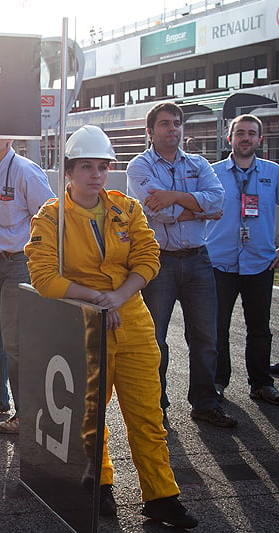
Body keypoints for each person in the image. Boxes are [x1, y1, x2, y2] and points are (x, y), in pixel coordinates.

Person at [26, 125, 198, 528]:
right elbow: (44, 278)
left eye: (102, 167)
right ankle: (99, 482)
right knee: (91, 413)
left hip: (133, 317)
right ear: (68, 171)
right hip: (83, 324)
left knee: (148, 415)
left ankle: (160, 494)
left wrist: (118, 297)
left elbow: (148, 258)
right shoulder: (51, 217)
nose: (96, 175)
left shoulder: (127, 207)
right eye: (86, 167)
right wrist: (96, 300)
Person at [126, 102, 236, 428]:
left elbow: (219, 201)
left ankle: (205, 402)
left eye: (176, 123)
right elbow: (156, 211)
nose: (172, 129)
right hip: (158, 261)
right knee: (154, 339)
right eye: (164, 124)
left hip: (199, 259)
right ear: (150, 131)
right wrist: (195, 207)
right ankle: (155, 407)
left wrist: (172, 196)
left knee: (205, 337)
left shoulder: (199, 163)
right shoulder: (139, 166)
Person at [0, 138, 55, 434]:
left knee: (15, 342)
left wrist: (40, 259)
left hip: (17, 264)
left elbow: (50, 217)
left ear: (10, 137)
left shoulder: (26, 171)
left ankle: (27, 413)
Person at [207, 114, 279, 405]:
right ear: (230, 138)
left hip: (260, 262)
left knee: (260, 327)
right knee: (217, 328)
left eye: (251, 133)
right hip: (220, 262)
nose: (245, 138)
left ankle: (261, 383)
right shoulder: (211, 173)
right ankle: (217, 382)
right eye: (240, 133)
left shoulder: (273, 172)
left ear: (259, 140)